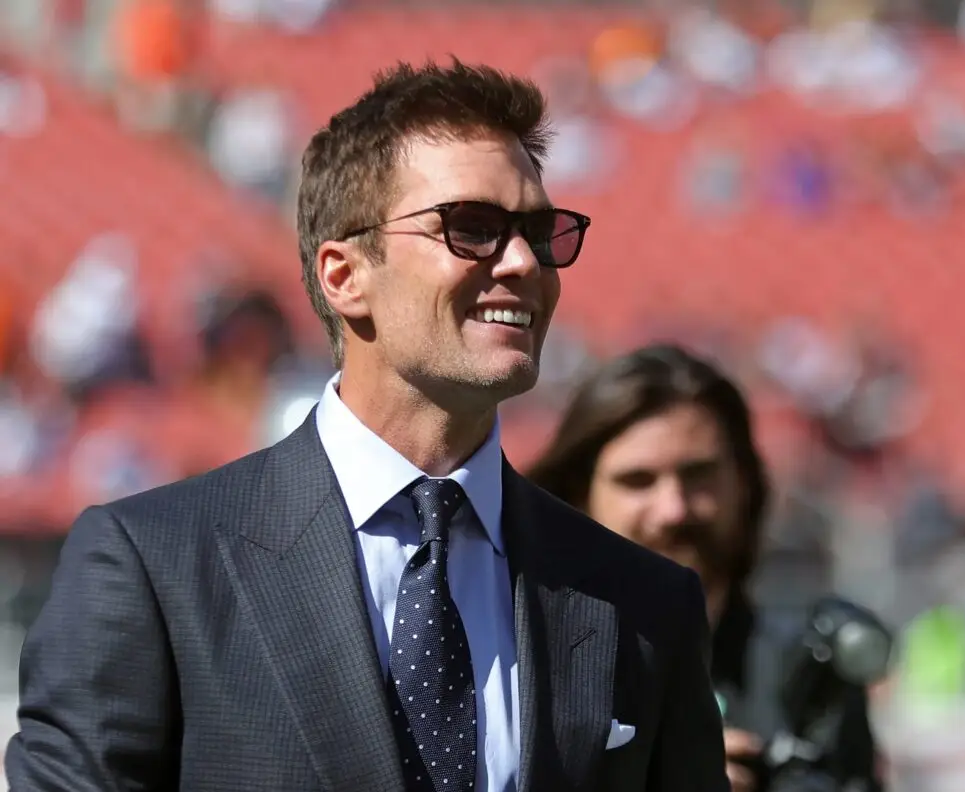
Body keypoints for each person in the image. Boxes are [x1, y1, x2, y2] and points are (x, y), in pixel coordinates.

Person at [5, 61, 728, 792]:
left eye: (538, 233)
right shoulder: (155, 569)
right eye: (472, 228)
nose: (521, 262)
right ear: (344, 276)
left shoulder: (642, 604)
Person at [529, 343, 884, 792]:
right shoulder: (527, 661)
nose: (673, 510)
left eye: (698, 475)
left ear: (745, 483)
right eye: (637, 481)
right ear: (577, 497)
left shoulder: (807, 668)